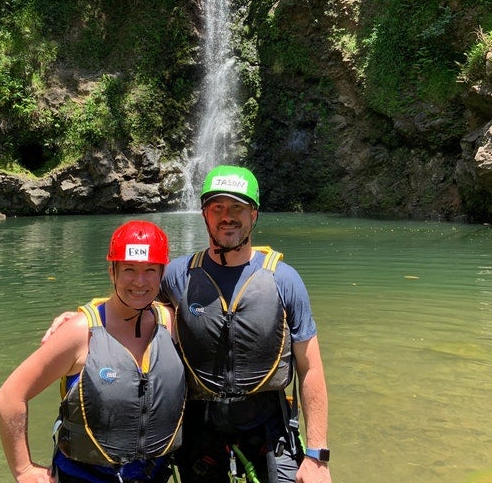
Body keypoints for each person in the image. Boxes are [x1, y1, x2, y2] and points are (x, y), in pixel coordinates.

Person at [43, 166, 332, 483]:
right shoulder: (179, 274)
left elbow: (311, 367)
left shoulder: (284, 279)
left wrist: (317, 455)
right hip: (199, 422)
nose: (227, 216)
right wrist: (87, 313)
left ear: (254, 214)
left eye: (237, 207)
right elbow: (136, 296)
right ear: (205, 214)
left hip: (265, 421)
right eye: (217, 207)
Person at [0, 220, 186, 483]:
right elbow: (11, 394)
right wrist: (24, 469)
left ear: (162, 272)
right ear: (113, 271)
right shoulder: (79, 332)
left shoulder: (169, 322)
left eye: (150, 270)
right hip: (86, 476)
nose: (139, 281)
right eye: (129, 269)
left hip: (152, 473)